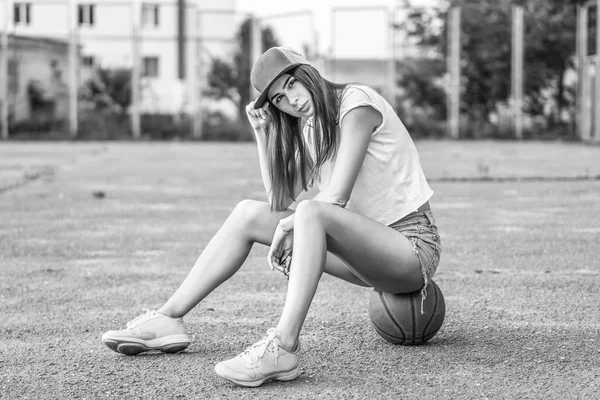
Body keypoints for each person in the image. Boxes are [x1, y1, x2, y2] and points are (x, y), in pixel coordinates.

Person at [101, 47, 441, 387]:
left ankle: (284, 346)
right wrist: (263, 136)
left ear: (308, 73)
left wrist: (290, 225)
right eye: (279, 99)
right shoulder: (312, 130)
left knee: (312, 212)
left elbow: (336, 196)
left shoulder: (356, 103)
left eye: (292, 84)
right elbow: (278, 200)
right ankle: (168, 318)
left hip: (410, 250)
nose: (291, 101)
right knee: (248, 214)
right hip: (364, 258)